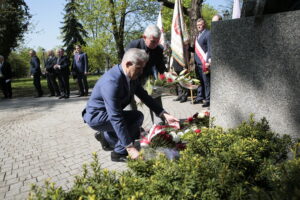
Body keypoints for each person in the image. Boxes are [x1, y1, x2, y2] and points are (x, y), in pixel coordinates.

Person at [82, 48, 179, 162]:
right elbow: (115, 116)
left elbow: (145, 96)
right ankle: (118, 153)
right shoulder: (112, 82)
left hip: (107, 113)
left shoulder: (130, 76)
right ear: (128, 64)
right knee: (135, 119)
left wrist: (164, 114)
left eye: (142, 68)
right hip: (97, 117)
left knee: (134, 119)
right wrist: (130, 147)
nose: (141, 72)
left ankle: (106, 137)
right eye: (139, 68)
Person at [192, 18, 211, 107]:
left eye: (200, 24)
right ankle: (200, 97)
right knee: (199, 81)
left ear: (204, 24)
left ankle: (208, 99)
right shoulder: (197, 36)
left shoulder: (208, 33)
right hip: (197, 63)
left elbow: (210, 48)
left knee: (206, 82)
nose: (199, 26)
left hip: (204, 63)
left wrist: (208, 60)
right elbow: (195, 50)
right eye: (197, 25)